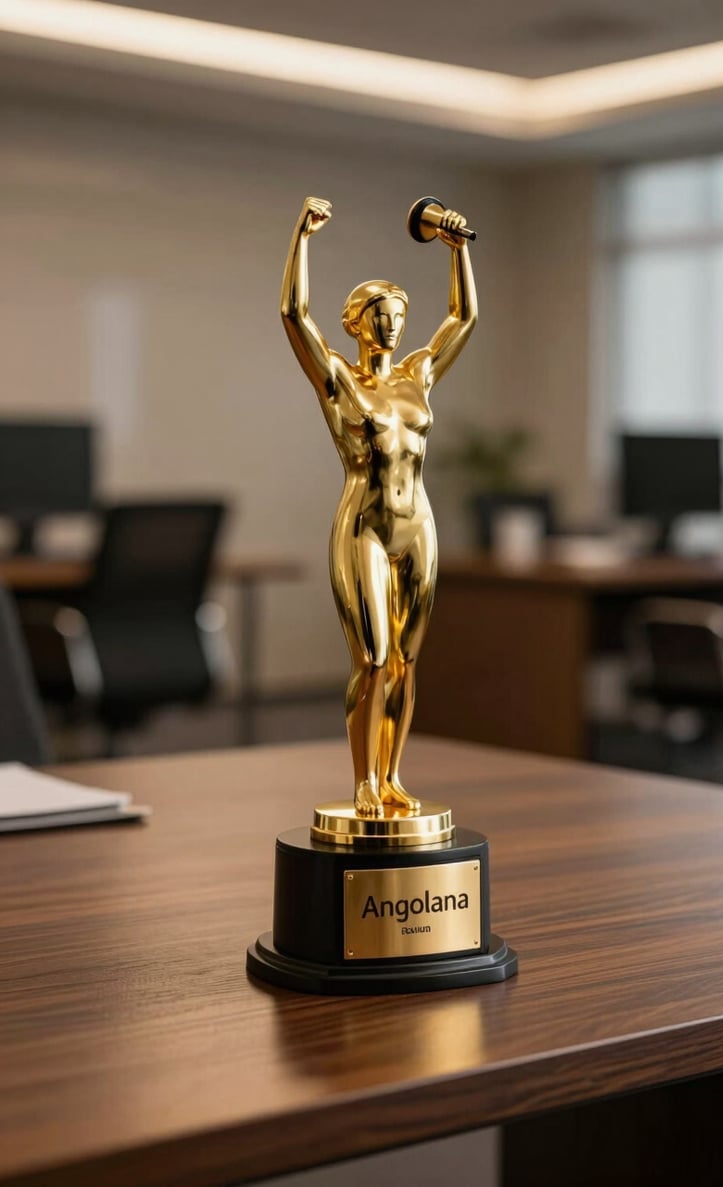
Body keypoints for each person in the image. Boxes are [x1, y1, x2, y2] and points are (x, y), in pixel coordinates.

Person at [281, 196, 477, 817]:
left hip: (417, 525)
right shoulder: (338, 379)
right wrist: (302, 238)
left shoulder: (417, 376)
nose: (391, 323)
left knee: (407, 661)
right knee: (371, 658)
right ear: (356, 322)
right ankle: (363, 779)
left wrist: (457, 248)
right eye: (379, 313)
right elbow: (294, 313)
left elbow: (463, 317)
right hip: (363, 524)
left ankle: (390, 779)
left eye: (397, 313)